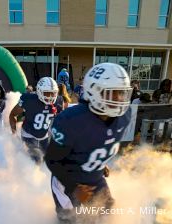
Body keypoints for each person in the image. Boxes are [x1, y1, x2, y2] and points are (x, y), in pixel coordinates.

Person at [44, 63, 132, 223]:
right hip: (68, 179)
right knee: (72, 219)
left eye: (121, 93)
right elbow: (52, 159)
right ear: (95, 92)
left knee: (108, 213)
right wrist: (73, 188)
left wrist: (99, 161)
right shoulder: (71, 120)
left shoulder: (124, 116)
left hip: (94, 177)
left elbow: (101, 141)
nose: (119, 99)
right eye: (112, 93)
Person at [9, 77, 58, 163]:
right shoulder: (29, 100)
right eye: (47, 93)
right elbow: (12, 115)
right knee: (35, 160)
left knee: (46, 161)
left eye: (53, 94)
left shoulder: (57, 102)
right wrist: (14, 133)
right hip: (29, 134)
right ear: (39, 91)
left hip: (44, 135)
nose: (50, 97)